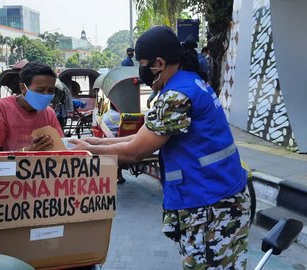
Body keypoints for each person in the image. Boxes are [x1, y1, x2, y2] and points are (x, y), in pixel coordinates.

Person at [69, 26, 250, 269]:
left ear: (159, 63)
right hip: (219, 193)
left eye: (143, 64)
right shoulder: (191, 81)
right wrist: (93, 142)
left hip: (210, 202)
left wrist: (90, 149)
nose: (141, 71)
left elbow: (136, 151)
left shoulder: (176, 96)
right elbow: (140, 138)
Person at [0, 61, 64, 151]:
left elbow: (60, 148)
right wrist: (27, 151)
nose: (46, 95)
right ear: (23, 88)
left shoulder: (49, 113)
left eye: (50, 90)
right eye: (40, 90)